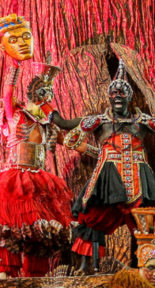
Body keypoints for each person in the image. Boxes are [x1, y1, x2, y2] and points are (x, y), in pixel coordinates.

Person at [0, 14, 98, 278]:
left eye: (49, 94)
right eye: (42, 94)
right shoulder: (14, 113)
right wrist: (15, 64)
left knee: (41, 232)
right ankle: (6, 271)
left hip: (42, 180)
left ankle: (35, 275)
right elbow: (6, 93)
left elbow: (73, 142)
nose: (46, 98)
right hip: (16, 177)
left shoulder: (47, 124)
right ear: (31, 96)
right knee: (12, 227)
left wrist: (101, 154)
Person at [33, 59, 155, 272]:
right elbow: (62, 123)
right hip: (107, 179)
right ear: (109, 97)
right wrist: (44, 102)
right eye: (114, 93)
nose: (118, 96)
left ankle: (148, 267)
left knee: (146, 222)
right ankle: (91, 267)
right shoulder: (99, 121)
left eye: (122, 93)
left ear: (129, 96)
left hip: (139, 177)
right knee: (93, 219)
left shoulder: (144, 121)